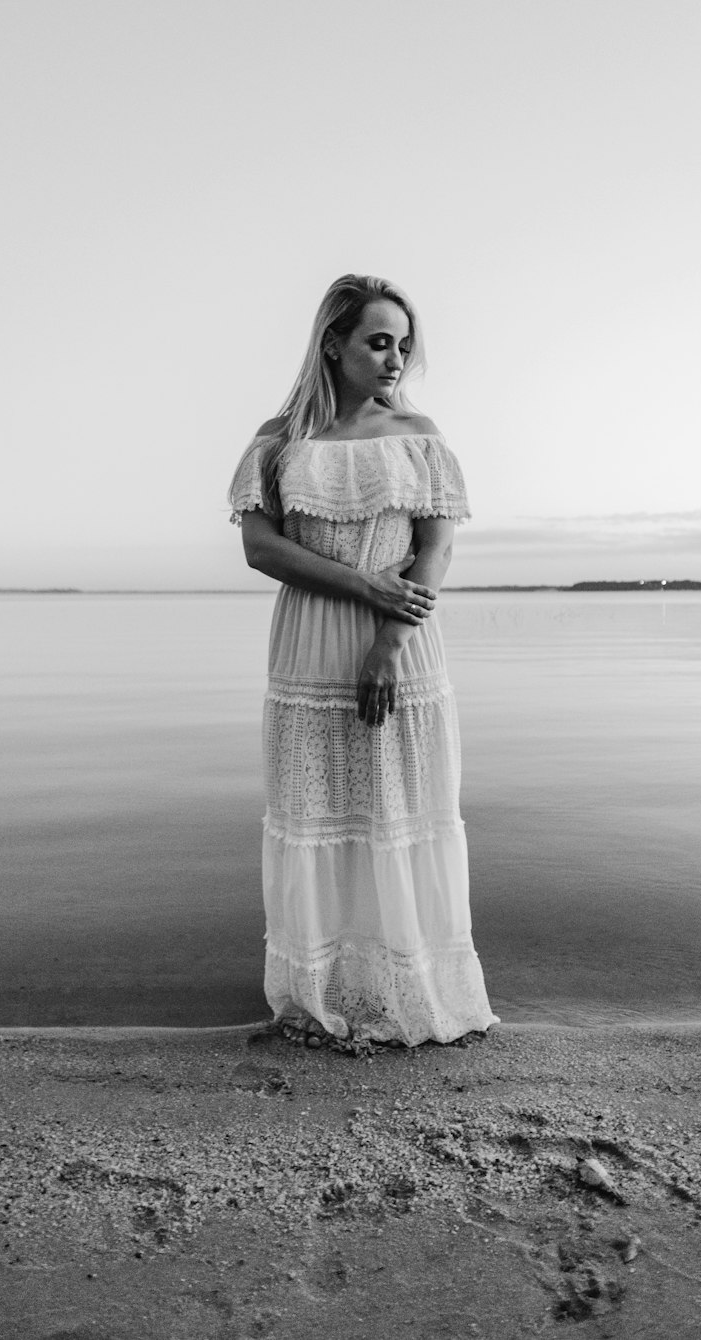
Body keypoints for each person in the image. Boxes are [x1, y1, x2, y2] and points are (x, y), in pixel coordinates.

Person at [228, 274, 497, 1048]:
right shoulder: (281, 437)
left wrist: (386, 639)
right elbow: (259, 546)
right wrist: (362, 586)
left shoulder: (418, 431)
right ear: (334, 343)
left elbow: (436, 550)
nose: (395, 359)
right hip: (309, 644)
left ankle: (414, 987)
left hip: (403, 643)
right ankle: (321, 993)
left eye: (404, 345)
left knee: (399, 810)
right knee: (316, 812)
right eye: (379, 341)